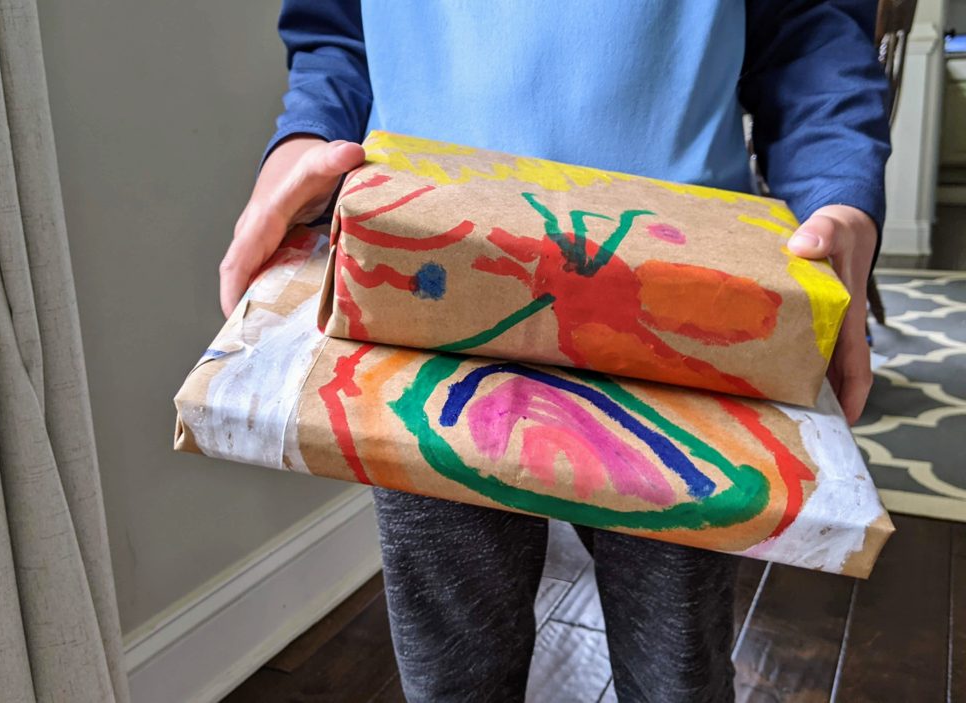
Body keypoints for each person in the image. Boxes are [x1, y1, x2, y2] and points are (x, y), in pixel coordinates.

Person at [218, 2, 891, 700]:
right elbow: (336, 31)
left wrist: (837, 182)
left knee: (676, 670)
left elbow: (810, 34)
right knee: (455, 670)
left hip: (683, 309)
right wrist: (307, 137)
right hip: (431, 290)